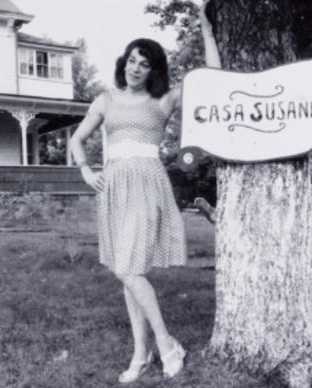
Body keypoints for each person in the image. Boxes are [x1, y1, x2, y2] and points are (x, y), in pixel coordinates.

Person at [69, 1, 219, 383]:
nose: (135, 68)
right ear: (124, 62)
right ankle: (141, 354)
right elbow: (78, 139)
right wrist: (86, 169)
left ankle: (167, 344)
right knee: (127, 272)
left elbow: (213, 76)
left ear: (154, 70)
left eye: (144, 63)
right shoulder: (106, 99)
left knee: (128, 269)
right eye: (132, 60)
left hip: (147, 183)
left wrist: (206, 28)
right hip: (113, 187)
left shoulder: (163, 101)